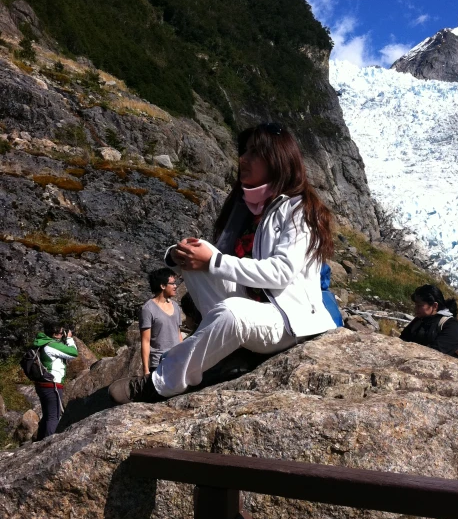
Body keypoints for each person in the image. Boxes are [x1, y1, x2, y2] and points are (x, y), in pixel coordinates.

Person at [109, 122, 337, 404]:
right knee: (198, 254)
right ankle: (230, 351)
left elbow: (280, 273)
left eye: (255, 153)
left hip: (287, 321)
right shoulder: (246, 207)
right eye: (244, 152)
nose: (243, 159)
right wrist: (178, 255)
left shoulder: (299, 210)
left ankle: (160, 383)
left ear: (278, 160)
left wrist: (214, 260)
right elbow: (215, 257)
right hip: (255, 307)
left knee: (232, 311)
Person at [32, 321, 78, 439]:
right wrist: (69, 339)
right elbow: (73, 353)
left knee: (47, 415)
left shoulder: (43, 342)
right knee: (53, 417)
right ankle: (48, 445)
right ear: (55, 333)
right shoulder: (51, 345)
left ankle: (38, 443)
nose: (63, 333)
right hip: (52, 385)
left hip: (43, 384)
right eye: (61, 331)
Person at [400, 284, 458, 359]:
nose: (415, 308)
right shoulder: (420, 319)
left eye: (419, 305)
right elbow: (402, 339)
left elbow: (435, 353)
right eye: (415, 305)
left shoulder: (451, 326)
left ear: (434, 306)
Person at [139, 268, 183, 374]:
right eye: (172, 284)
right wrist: (146, 370)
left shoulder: (176, 306)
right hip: (159, 363)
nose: (175, 286)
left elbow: (178, 334)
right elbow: (145, 341)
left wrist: (184, 354)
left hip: (178, 360)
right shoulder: (148, 309)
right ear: (162, 286)